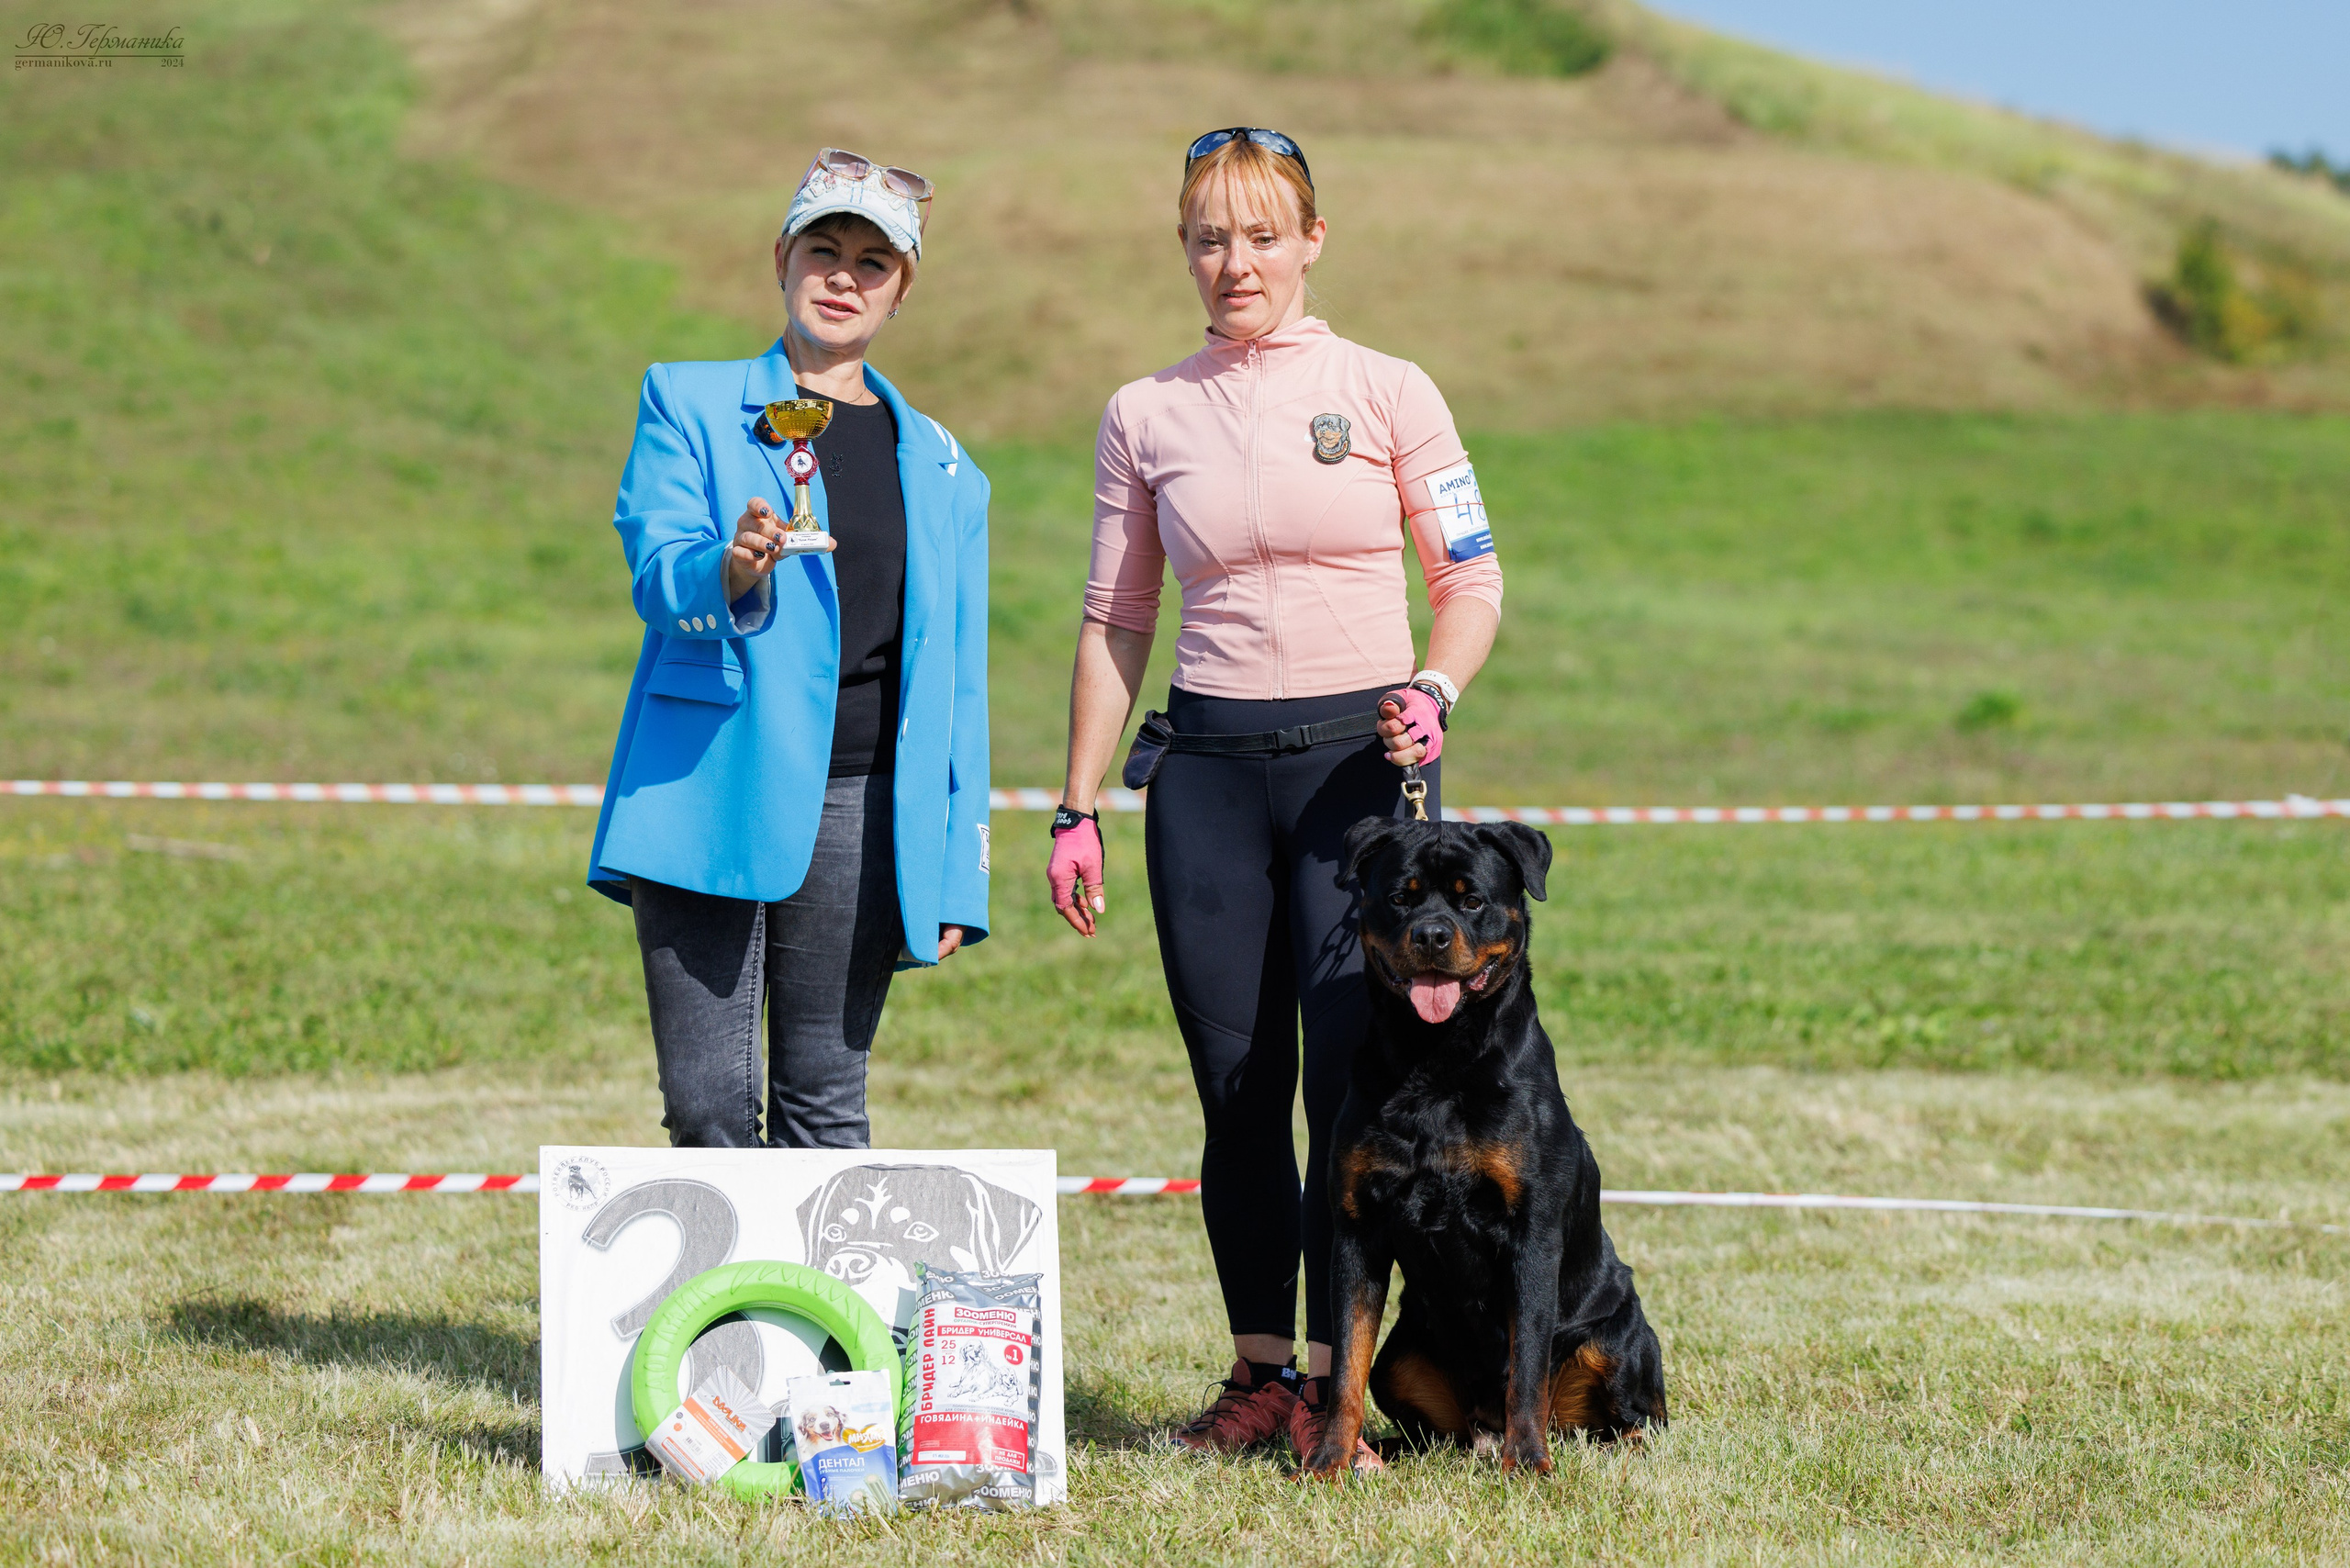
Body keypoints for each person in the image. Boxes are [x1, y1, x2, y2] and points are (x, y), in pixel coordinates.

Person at [1047, 128, 1505, 1469]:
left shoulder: (1387, 389)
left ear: (1311, 241)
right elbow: (1112, 620)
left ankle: (1340, 1386)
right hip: (1205, 778)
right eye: (1207, 235)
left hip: (1363, 781)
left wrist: (1436, 687)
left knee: (1351, 1097)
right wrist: (1077, 804)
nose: (1232, 260)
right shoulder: (1146, 411)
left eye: (1260, 234)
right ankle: (1260, 1377)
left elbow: (1471, 579)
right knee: (1236, 1087)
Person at [587, 149, 991, 1149]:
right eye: (824, 249)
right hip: (705, 785)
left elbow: (958, 683)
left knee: (825, 1106)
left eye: (874, 261)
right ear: (781, 259)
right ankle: (728, 1316)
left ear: (903, 291)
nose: (844, 276)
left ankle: (819, 1315)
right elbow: (655, 569)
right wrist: (729, 570)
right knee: (709, 1108)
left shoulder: (948, 468)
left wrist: (953, 866)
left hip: (865, 806)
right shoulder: (683, 400)